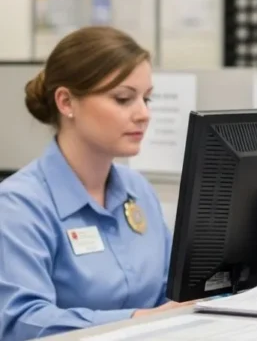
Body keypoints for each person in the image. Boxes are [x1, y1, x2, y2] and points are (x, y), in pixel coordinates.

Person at [0, 26, 184, 340]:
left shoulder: (138, 190)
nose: (143, 114)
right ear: (66, 102)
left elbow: (170, 292)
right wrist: (135, 320)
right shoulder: (18, 206)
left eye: (146, 99)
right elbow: (21, 321)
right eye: (123, 99)